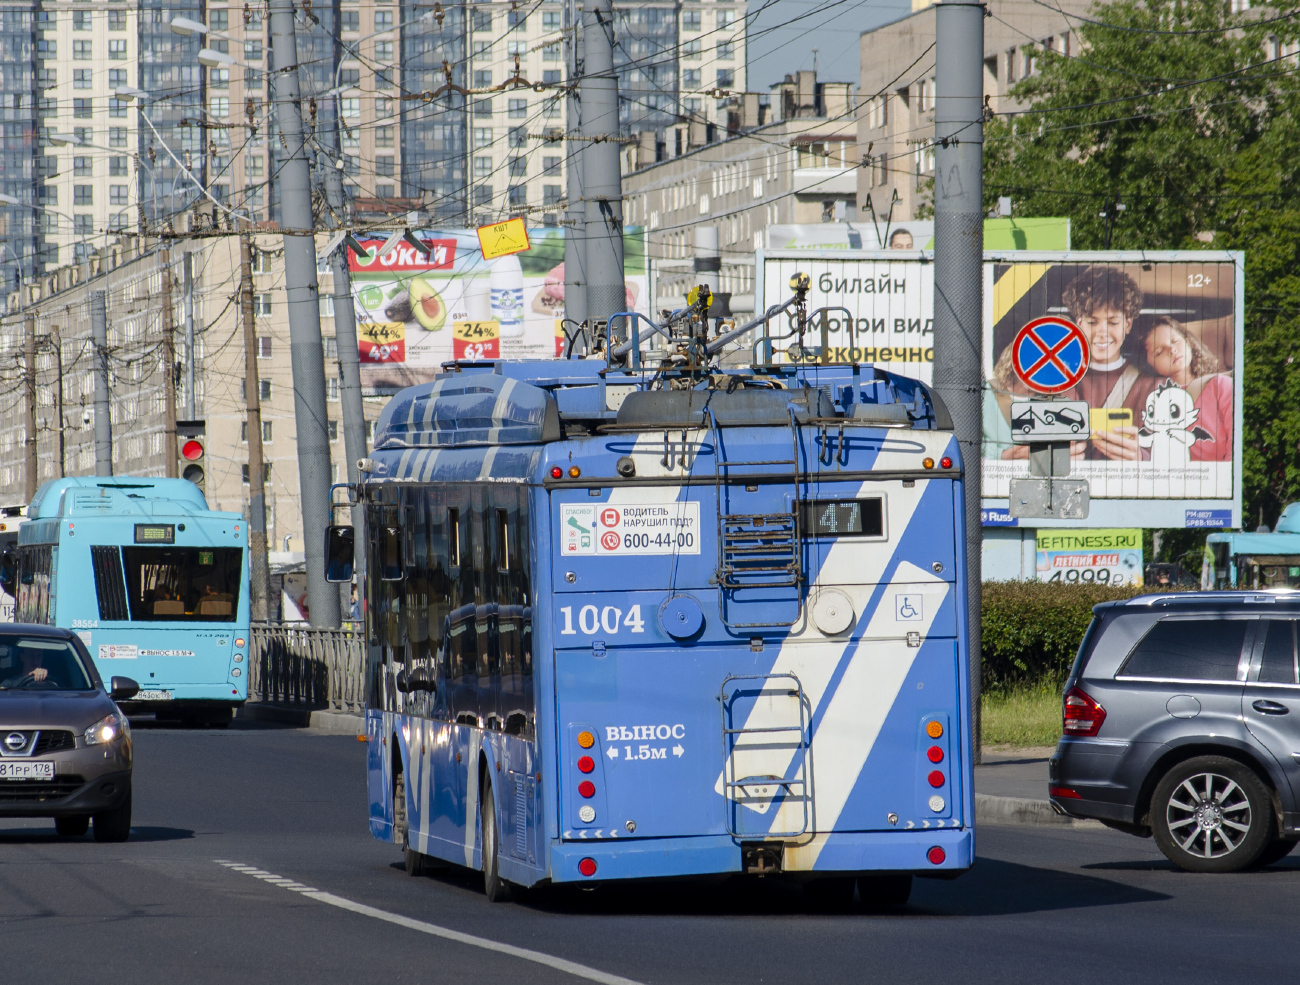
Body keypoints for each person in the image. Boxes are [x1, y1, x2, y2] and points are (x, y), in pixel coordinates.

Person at [1060, 266, 1162, 461]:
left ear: (1128, 324)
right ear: (1079, 322)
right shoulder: (1057, 380)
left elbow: (1168, 452)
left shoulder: (1151, 386)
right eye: (1092, 322)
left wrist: (1141, 458)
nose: (1102, 332)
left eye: (1113, 322)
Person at [1125, 315, 1233, 462]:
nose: (1172, 350)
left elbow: (1236, 444)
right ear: (1147, 364)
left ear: (1187, 341)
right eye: (1159, 351)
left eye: (1175, 341)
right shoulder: (1150, 400)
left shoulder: (1220, 386)